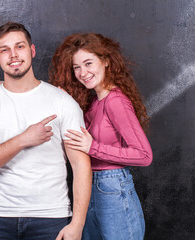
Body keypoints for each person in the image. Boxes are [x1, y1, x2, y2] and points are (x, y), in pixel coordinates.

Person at [0, 22, 92, 240]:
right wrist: (23, 139)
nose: (13, 55)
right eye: (5, 50)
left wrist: (77, 224)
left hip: (51, 218)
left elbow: (80, 165)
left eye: (20, 47)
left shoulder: (62, 102)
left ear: (32, 51)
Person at [49, 33, 153, 240]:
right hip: (90, 185)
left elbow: (144, 155)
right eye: (76, 67)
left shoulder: (115, 101)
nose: (82, 72)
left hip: (112, 187)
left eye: (88, 63)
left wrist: (92, 147)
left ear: (105, 61)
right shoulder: (96, 101)